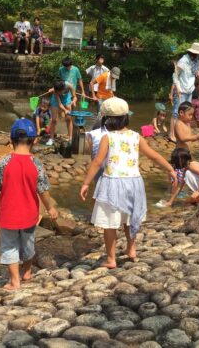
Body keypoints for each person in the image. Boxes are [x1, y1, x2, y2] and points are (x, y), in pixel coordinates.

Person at [79, 98, 177, 269]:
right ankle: (131, 249)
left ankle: (111, 259)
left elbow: (96, 162)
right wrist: (169, 169)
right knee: (130, 218)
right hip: (134, 183)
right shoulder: (136, 137)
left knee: (110, 223)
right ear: (126, 118)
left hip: (112, 183)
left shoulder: (107, 138)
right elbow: (153, 156)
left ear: (106, 120)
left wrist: (86, 183)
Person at [0, 118, 58, 291]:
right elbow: (43, 190)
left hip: (8, 215)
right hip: (29, 215)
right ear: (34, 140)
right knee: (28, 244)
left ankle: (15, 281)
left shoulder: (4, 162)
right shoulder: (36, 163)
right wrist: (50, 207)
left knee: (9, 246)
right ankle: (27, 272)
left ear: (11, 140)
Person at [170, 42, 199, 140]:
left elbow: (194, 74)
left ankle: (184, 132)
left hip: (190, 90)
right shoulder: (183, 61)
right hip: (181, 90)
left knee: (187, 113)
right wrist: (177, 87)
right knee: (176, 112)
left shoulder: (196, 61)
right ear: (194, 53)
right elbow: (175, 75)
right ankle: (172, 134)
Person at [46, 79, 75, 145]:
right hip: (56, 101)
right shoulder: (55, 91)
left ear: (63, 88)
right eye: (57, 91)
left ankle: (70, 138)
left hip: (66, 99)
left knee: (69, 119)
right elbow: (59, 104)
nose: (58, 93)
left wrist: (74, 101)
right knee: (54, 120)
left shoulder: (69, 86)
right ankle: (51, 139)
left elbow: (74, 96)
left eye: (59, 91)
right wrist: (65, 110)